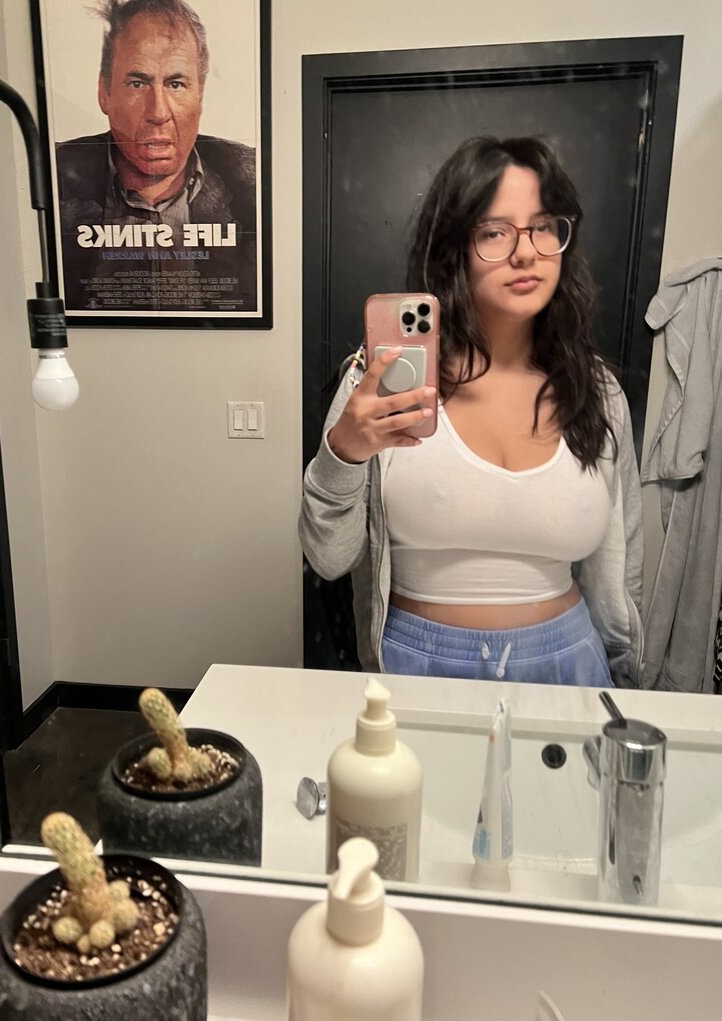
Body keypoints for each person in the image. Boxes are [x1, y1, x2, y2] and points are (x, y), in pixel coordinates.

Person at [299, 136, 644, 688]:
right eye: (494, 232)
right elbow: (328, 558)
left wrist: (629, 681)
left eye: (543, 226)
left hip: (570, 666)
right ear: (454, 248)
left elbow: (621, 566)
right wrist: (342, 454)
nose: (526, 252)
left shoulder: (596, 390)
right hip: (416, 667)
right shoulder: (382, 381)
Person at [55, 0, 257, 311]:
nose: (159, 112)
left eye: (176, 84)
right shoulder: (53, 176)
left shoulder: (252, 180)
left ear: (200, 95)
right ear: (104, 93)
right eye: (137, 83)